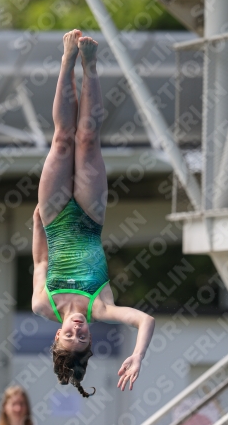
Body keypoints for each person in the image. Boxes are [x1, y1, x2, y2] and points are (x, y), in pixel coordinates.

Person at [32, 29, 155, 398]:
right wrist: (137, 356)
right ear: (89, 338)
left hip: (53, 219)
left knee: (61, 138)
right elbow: (144, 319)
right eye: (81, 338)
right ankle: (92, 68)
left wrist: (37, 224)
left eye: (69, 335)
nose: (77, 330)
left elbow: (40, 261)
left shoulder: (43, 303)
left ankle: (68, 59)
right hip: (88, 215)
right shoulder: (101, 308)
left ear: (58, 334)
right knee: (87, 138)